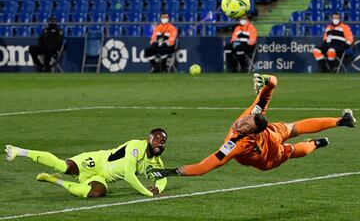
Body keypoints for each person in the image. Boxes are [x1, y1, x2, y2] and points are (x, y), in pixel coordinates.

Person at [146, 74, 356, 180]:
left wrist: (167, 172)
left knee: (290, 150)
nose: (242, 121)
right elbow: (273, 84)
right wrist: (265, 79)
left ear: (250, 132)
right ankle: (341, 121)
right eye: (247, 119)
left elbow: (204, 166)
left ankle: (315, 144)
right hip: (270, 132)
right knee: (293, 128)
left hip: (269, 155)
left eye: (246, 124)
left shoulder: (235, 144)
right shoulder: (255, 116)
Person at [5, 128, 168, 198]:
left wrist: (158, 187)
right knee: (64, 166)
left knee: (97, 193)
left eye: (162, 141)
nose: (159, 143)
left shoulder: (156, 162)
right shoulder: (135, 146)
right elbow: (129, 175)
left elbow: (163, 176)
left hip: (102, 177)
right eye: (156, 139)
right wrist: (148, 193)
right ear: (149, 139)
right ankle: (19, 151)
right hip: (97, 161)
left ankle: (54, 180)